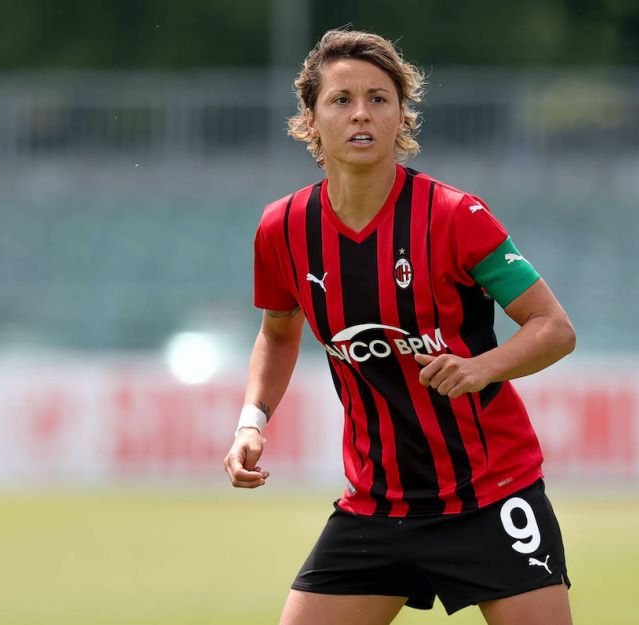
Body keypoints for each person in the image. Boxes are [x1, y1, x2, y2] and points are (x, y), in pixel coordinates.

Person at [223, 29, 576, 625]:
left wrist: (480, 367)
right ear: (311, 119)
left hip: (491, 495)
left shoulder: (455, 216)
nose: (360, 113)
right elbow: (278, 334)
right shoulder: (282, 229)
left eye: (378, 98)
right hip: (375, 507)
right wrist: (251, 423)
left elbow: (554, 327)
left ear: (400, 116)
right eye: (340, 100)